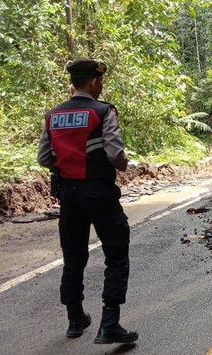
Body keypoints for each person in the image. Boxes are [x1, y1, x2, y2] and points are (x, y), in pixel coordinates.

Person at [37, 58, 138, 344]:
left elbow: (44, 157)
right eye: (100, 81)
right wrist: (124, 165)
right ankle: (110, 324)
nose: (101, 85)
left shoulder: (53, 115)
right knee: (116, 253)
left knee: (74, 255)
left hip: (69, 194)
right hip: (99, 193)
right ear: (94, 82)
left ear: (73, 82)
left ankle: (75, 319)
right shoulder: (103, 111)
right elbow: (115, 153)